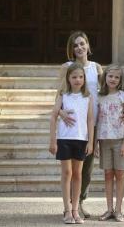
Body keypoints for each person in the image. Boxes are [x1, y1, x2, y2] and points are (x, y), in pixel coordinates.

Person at [57, 31, 103, 218]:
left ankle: (79, 203)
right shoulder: (66, 67)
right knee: (70, 170)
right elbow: (58, 95)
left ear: (88, 45)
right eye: (75, 45)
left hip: (91, 123)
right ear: (71, 49)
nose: (79, 48)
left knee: (87, 168)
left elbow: (105, 92)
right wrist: (60, 113)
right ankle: (69, 207)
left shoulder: (97, 68)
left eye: (82, 43)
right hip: (72, 126)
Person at [49, 62, 94, 224]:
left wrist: (90, 142)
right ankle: (67, 211)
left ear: (84, 79)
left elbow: (90, 120)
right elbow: (53, 116)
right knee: (66, 173)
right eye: (74, 77)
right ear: (68, 78)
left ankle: (76, 211)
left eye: (81, 77)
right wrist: (53, 140)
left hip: (81, 140)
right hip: (64, 139)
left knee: (77, 174)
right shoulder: (63, 95)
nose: (77, 80)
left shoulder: (87, 97)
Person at [95, 64, 124, 222]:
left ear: (120, 80)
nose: (113, 79)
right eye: (110, 76)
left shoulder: (123, 96)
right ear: (105, 77)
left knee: (120, 174)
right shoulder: (99, 96)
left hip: (119, 141)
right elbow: (96, 120)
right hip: (104, 141)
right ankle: (109, 209)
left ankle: (118, 210)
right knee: (108, 174)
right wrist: (95, 142)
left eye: (117, 77)